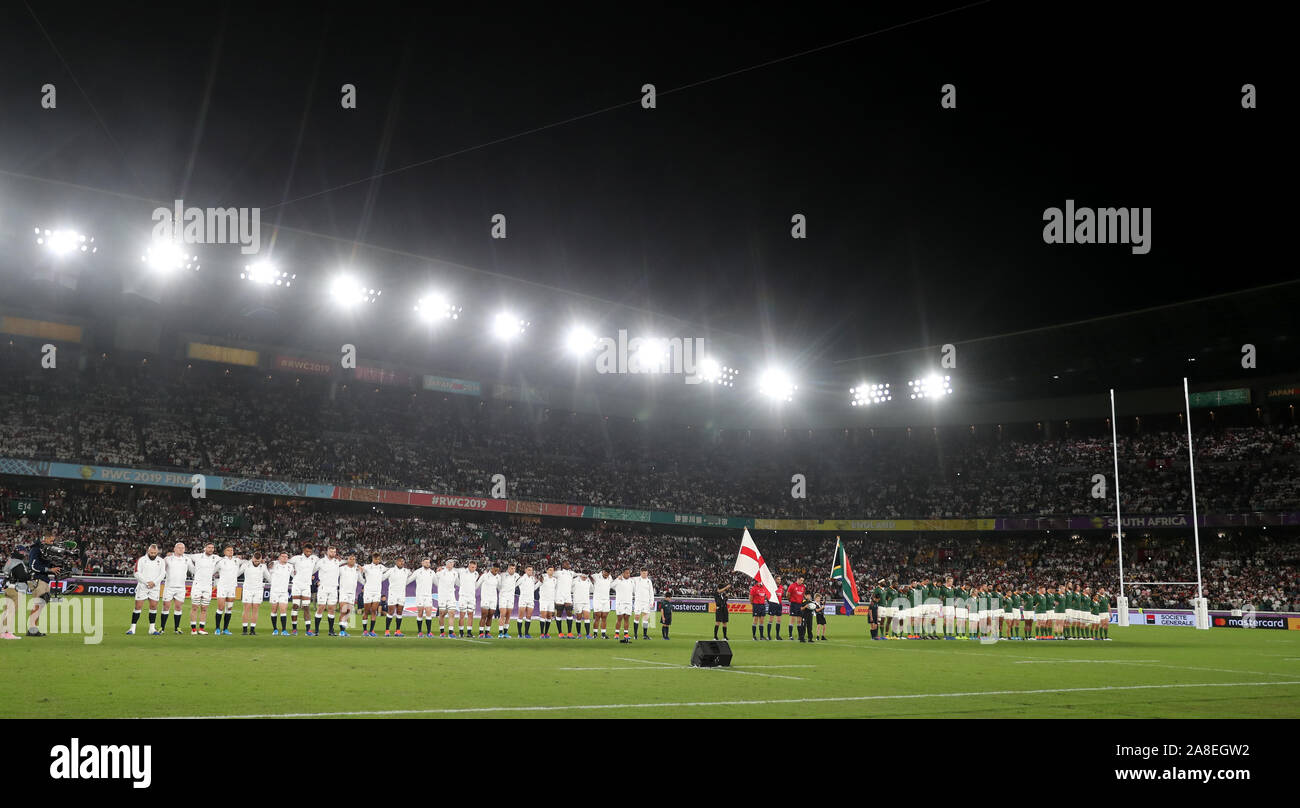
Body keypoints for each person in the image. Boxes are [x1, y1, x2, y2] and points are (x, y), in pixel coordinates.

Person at [127, 543, 164, 636]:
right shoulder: (142, 560)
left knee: (153, 606)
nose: (153, 554)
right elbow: (136, 573)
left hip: (155, 587)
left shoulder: (161, 561)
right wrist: (146, 582)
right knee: (138, 606)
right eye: (151, 552)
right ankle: (132, 628)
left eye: (155, 553)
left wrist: (154, 583)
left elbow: (162, 574)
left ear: (157, 552)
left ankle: (152, 629)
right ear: (148, 551)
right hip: (143, 586)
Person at [186, 542, 220, 635]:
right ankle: (193, 629)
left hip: (208, 586)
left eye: (212, 548)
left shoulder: (216, 558)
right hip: (197, 585)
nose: (211, 549)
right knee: (195, 607)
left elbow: (227, 559)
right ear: (205, 548)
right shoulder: (197, 556)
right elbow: (186, 555)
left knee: (204, 608)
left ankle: (201, 628)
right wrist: (172, 554)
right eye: (209, 547)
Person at [160, 542, 192, 635]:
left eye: (183, 548)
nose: (181, 549)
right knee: (166, 606)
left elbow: (194, 569)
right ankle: (162, 628)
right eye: (179, 548)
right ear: (174, 549)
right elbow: (162, 570)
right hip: (169, 587)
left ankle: (176, 628)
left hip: (181, 587)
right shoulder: (168, 559)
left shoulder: (187, 559)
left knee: (178, 607)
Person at [287, 543, 317, 635]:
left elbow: (322, 564)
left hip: (307, 585)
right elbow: (286, 563)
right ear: (303, 550)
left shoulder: (314, 558)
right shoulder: (296, 558)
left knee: (306, 607)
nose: (308, 553)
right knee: (295, 606)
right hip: (297, 584)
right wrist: (292, 573)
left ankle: (308, 630)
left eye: (310, 552)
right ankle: (294, 629)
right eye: (307, 551)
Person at [312, 545, 342, 636]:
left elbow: (349, 563)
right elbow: (311, 571)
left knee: (332, 609)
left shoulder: (338, 562)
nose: (333, 553)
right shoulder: (321, 562)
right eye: (331, 551)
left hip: (333, 588)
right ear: (327, 552)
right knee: (321, 607)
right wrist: (315, 581)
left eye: (334, 552)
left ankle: (331, 631)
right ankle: (316, 630)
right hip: (323, 588)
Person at [213, 546, 243, 635]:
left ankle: (225, 629)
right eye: (228, 550)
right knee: (221, 607)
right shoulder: (221, 562)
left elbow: (246, 562)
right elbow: (212, 571)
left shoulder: (236, 560)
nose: (230, 551)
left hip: (232, 587)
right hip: (222, 586)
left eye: (232, 550)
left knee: (229, 608)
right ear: (224, 552)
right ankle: (217, 628)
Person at [239, 552, 268, 635]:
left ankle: (252, 629)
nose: (257, 562)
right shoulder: (245, 565)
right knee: (246, 609)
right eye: (255, 561)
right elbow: (237, 574)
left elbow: (269, 577)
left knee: (255, 609)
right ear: (252, 558)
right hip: (247, 589)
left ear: (261, 559)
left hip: (258, 590)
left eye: (258, 561)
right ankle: (244, 630)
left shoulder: (263, 566)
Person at [267, 551, 294, 635]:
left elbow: (295, 575)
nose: (285, 558)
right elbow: (267, 568)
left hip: (284, 592)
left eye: (286, 557)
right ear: (279, 557)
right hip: (274, 591)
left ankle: (284, 630)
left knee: (283, 610)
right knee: (274, 610)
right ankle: (275, 629)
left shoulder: (290, 566)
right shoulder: (274, 564)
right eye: (282, 556)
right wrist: (268, 564)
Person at [360, 553, 386, 637]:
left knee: (374, 610)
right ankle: (364, 630)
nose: (377, 560)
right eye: (376, 559)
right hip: (368, 591)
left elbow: (390, 570)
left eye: (378, 559)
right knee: (366, 611)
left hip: (377, 592)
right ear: (372, 559)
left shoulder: (382, 567)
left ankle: (371, 630)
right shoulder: (367, 566)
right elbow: (360, 570)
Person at [384, 556, 410, 637]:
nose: (402, 562)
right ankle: (387, 630)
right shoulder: (391, 570)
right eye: (400, 561)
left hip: (402, 593)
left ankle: (397, 631)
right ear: (396, 562)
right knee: (391, 611)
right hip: (393, 594)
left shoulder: (407, 571)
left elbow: (414, 576)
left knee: (399, 612)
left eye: (403, 561)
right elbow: (382, 577)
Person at [337, 554, 361, 636]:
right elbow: (334, 569)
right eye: (350, 559)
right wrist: (342, 561)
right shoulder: (342, 569)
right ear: (347, 560)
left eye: (354, 559)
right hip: (343, 592)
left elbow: (361, 580)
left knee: (348, 612)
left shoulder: (357, 570)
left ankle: (344, 630)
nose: (352, 560)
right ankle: (341, 631)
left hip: (352, 593)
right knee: (343, 610)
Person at [436, 558, 459, 637]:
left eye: (453, 563)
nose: (452, 564)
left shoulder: (455, 573)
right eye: (450, 563)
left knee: (452, 613)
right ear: (446, 564)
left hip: (451, 595)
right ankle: (442, 632)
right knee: (442, 614)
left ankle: (450, 632)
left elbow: (458, 583)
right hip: (442, 596)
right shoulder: (440, 572)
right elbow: (435, 580)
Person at [496, 562, 519, 638]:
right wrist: (502, 591)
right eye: (511, 568)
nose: (513, 570)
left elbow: (518, 583)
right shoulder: (502, 575)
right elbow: (498, 585)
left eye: (514, 569)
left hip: (511, 597)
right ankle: (500, 633)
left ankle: (505, 633)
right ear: (508, 569)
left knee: (508, 615)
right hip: (503, 597)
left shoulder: (516, 576)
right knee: (502, 614)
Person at [514, 565, 538, 638]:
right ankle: (520, 634)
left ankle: (526, 633)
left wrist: (539, 583)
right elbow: (514, 585)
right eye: (529, 570)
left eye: (531, 570)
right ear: (525, 570)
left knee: (528, 617)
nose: (530, 571)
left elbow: (534, 588)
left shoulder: (533, 579)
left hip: (531, 599)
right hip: (523, 599)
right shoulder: (521, 578)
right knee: (520, 616)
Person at [456, 560, 479, 638]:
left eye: (475, 567)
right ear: (469, 566)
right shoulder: (462, 571)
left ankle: (469, 632)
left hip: (472, 597)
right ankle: (461, 632)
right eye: (472, 567)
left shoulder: (476, 574)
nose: (474, 569)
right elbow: (453, 569)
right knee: (462, 614)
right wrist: (442, 568)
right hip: (463, 596)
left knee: (470, 615)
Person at [476, 563, 499, 638]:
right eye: (495, 570)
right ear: (492, 568)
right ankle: (481, 633)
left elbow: (500, 587)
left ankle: (487, 633)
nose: (496, 572)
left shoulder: (498, 577)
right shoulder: (484, 576)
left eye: (497, 570)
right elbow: (477, 585)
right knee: (484, 615)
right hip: (485, 598)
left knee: (490, 615)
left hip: (493, 599)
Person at [612, 569, 635, 642]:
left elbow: (634, 591)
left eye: (629, 573)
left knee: (627, 618)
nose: (628, 574)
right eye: (627, 573)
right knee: (619, 618)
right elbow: (611, 585)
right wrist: (617, 579)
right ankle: (617, 634)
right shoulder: (619, 580)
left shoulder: (631, 581)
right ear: (623, 573)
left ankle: (626, 634)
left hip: (628, 602)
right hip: (620, 602)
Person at [591, 569, 614, 638]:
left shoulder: (610, 577)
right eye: (605, 574)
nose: (607, 576)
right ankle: (595, 634)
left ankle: (603, 634)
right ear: (603, 572)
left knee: (604, 617)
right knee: (597, 617)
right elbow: (588, 576)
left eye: (608, 574)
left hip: (606, 600)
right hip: (597, 600)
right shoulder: (596, 576)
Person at [633, 569, 655, 640]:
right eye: (643, 573)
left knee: (645, 618)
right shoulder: (636, 579)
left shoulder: (649, 581)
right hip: (638, 602)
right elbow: (627, 578)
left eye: (646, 573)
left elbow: (651, 592)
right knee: (637, 617)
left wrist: (652, 602)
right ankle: (635, 635)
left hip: (646, 602)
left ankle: (645, 635)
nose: (645, 574)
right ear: (640, 573)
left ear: (647, 573)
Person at [571, 571, 593, 638]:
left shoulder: (588, 581)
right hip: (577, 602)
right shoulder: (575, 580)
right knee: (579, 618)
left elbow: (592, 590)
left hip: (586, 602)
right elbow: (569, 588)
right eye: (583, 577)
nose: (584, 578)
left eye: (586, 577)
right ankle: (579, 634)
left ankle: (588, 634)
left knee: (587, 618)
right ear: (581, 575)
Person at [538, 566, 558, 638]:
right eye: (550, 570)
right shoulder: (543, 578)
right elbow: (538, 585)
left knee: (549, 616)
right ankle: (542, 633)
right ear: (547, 571)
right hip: (544, 600)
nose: (551, 572)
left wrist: (555, 601)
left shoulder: (554, 580)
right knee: (543, 615)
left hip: (551, 601)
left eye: (552, 570)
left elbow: (555, 590)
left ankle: (546, 633)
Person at [766, 575, 784, 640]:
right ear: (775, 580)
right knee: (771, 620)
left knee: (779, 620)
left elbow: (781, 595)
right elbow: (767, 596)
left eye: (780, 579)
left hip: (779, 605)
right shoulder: (771, 587)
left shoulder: (781, 587)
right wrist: (770, 602)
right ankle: (768, 636)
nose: (779, 580)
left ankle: (777, 636)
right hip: (773, 604)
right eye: (778, 579)